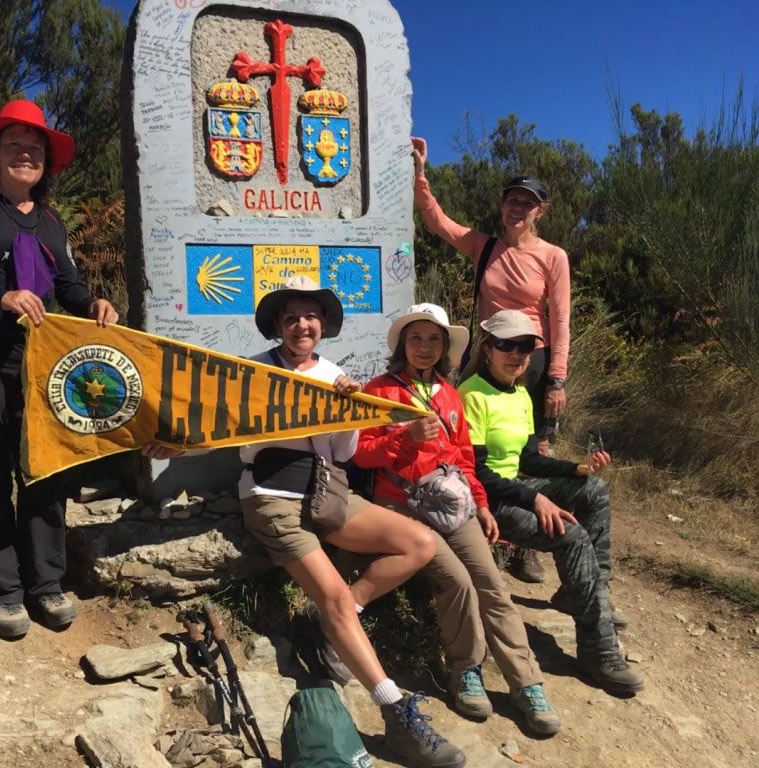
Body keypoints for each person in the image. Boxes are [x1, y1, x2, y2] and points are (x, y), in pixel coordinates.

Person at [146, 276, 466, 768]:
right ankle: (396, 712)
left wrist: (345, 411)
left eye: (310, 317)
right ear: (279, 325)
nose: (302, 324)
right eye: (292, 317)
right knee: (335, 592)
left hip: (326, 494)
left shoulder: (336, 374)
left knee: (419, 544)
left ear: (323, 326)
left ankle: (335, 620)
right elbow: (217, 425)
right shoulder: (253, 372)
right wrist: (174, 446)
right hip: (272, 498)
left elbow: (343, 453)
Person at [0, 100, 119, 640]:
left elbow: (70, 285)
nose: (26, 154)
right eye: (14, 145)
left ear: (45, 163)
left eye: (35, 149)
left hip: (42, 365)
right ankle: (3, 589)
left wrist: (93, 307)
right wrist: (1, 296)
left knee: (46, 470)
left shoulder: (52, 221)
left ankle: (46, 583)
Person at [353, 303, 561, 735]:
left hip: (452, 503)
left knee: (493, 585)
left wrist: (481, 503)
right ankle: (465, 668)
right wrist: (403, 439)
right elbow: (360, 453)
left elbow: (463, 458)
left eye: (434, 340)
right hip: (401, 504)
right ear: (402, 344)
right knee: (457, 581)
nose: (425, 347)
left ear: (445, 347)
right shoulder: (380, 391)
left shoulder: (449, 394)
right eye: (416, 338)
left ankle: (528, 683)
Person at [458, 310, 643, 696]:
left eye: (525, 346)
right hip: (487, 500)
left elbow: (527, 460)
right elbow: (474, 470)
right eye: (506, 344)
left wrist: (577, 467)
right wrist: (536, 497)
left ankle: (586, 594)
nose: (516, 354)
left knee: (593, 490)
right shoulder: (471, 393)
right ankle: (597, 648)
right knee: (570, 533)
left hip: (515, 488)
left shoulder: (521, 394)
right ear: (487, 347)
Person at [412, 137, 569, 585]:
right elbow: (437, 221)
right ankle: (476, 521)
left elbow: (560, 320)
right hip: (484, 355)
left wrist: (556, 378)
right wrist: (421, 174)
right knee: (471, 443)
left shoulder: (552, 257)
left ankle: (527, 545)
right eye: (512, 200)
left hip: (533, 360)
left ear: (541, 210)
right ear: (502, 206)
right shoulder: (484, 247)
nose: (518, 208)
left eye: (528, 202)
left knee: (529, 450)